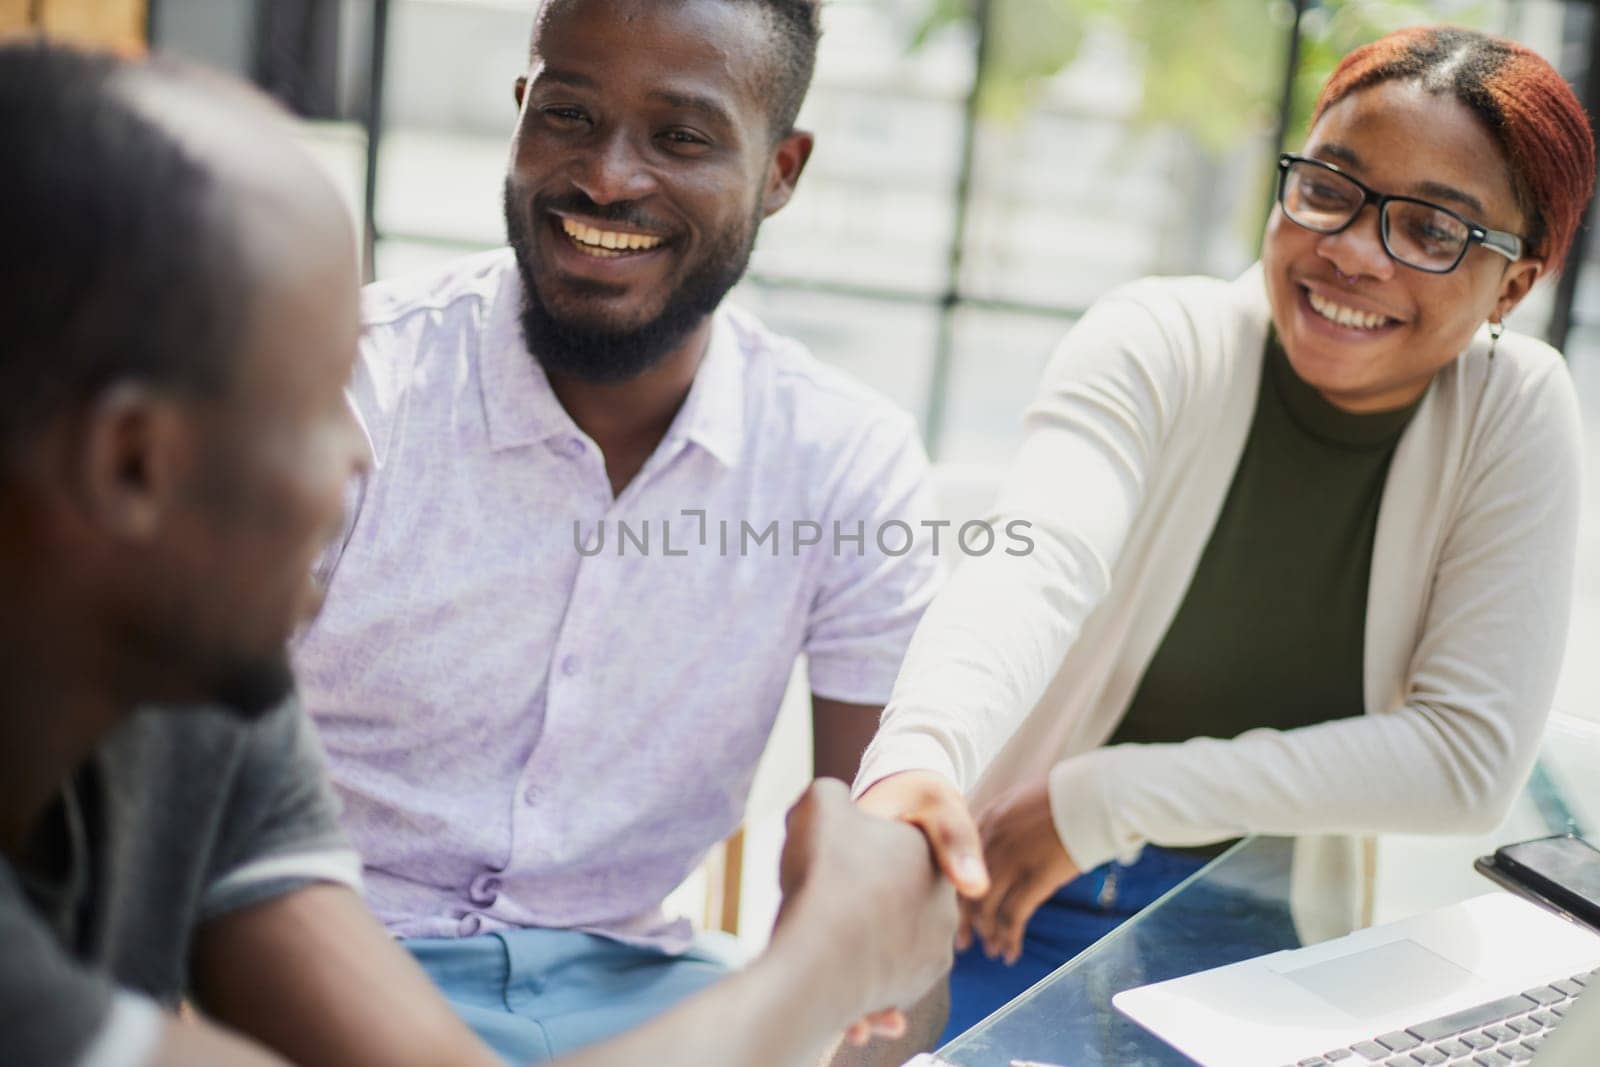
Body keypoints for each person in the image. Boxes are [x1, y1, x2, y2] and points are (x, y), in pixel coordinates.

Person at [0, 39, 959, 1067]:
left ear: (782, 169)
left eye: (678, 136)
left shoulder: (212, 723)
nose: (351, 466)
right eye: (309, 404)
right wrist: (824, 964)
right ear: (132, 461)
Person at [851, 24, 1598, 1048]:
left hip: (1258, 933)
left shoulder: (1513, 411)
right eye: (1328, 186)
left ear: (1512, 284)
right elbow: (1030, 566)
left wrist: (1106, 795)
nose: (1349, 249)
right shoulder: (1159, 339)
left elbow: (1466, 758)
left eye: (1430, 230)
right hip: (1001, 889)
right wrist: (918, 759)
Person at [291, 0, 988, 1060]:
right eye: (568, 115)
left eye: (682, 136)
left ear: (781, 171)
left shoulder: (843, 459)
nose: (608, 177)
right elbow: (160, 833)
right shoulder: (349, 386)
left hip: (647, 999)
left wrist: (843, 977)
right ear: (522, 111)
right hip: (301, 968)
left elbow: (896, 966)